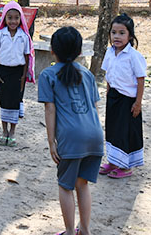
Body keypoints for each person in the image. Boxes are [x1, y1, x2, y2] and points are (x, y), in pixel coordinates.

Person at [38, 27, 103, 235]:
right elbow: (95, 106)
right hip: (95, 136)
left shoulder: (48, 75)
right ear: (79, 52)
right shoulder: (87, 74)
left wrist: (51, 142)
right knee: (82, 185)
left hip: (71, 138)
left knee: (65, 186)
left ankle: (68, 232)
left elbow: (50, 108)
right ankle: (84, 230)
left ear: (52, 50)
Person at [99, 13, 146, 179]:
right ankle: (113, 162)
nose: (116, 37)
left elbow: (141, 80)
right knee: (112, 130)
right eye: (113, 32)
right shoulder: (110, 52)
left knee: (125, 132)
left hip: (128, 101)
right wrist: (108, 91)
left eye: (121, 33)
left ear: (130, 35)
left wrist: (138, 103)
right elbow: (109, 74)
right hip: (113, 98)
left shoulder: (134, 56)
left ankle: (126, 167)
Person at [0, 0, 34, 147]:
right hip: (3, 72)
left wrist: (23, 76)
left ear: (20, 19)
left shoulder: (24, 37)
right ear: (4, 19)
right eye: (10, 18)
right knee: (4, 100)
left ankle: (12, 132)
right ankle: (4, 131)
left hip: (18, 73)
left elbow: (27, 57)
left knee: (15, 102)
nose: (13, 21)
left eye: (16, 17)